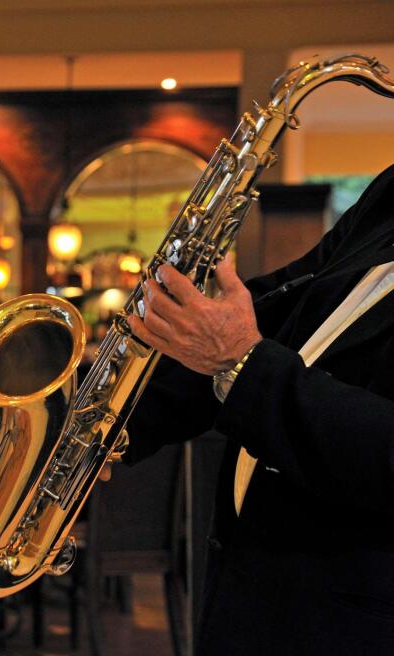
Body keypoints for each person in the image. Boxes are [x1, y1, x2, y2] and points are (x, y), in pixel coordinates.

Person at [123, 163, 394, 654]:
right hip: (253, 592)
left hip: (354, 622)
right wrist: (120, 421)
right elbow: (284, 306)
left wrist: (241, 362)